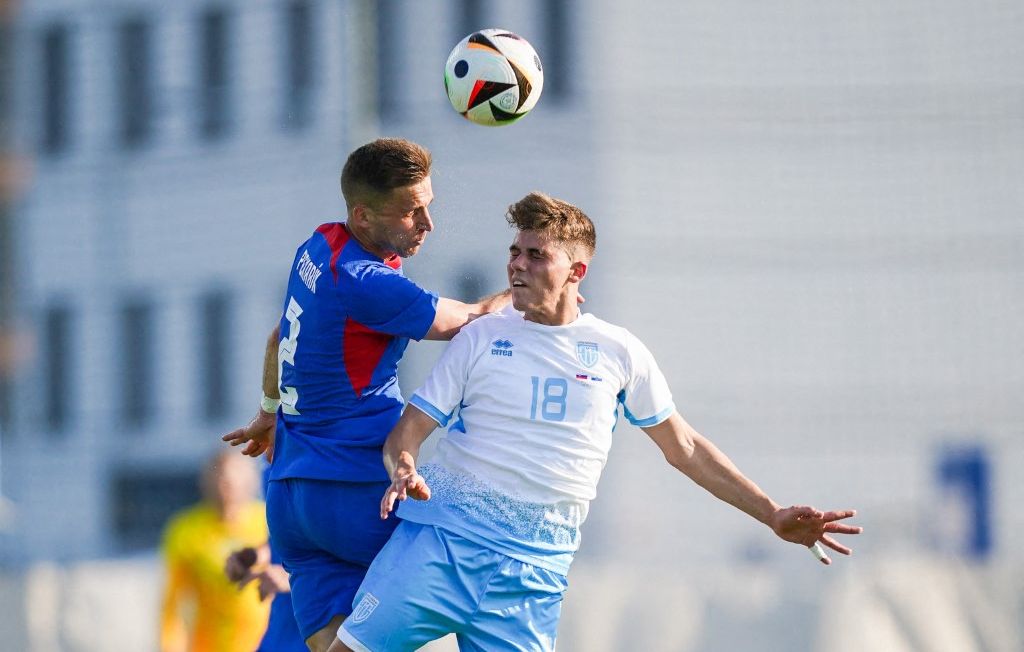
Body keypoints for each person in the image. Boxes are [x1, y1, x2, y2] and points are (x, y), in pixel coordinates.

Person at [332, 192, 863, 652]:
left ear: (576, 272)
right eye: (514, 252)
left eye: (536, 255)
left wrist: (770, 513)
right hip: (441, 548)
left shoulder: (618, 352)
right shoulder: (480, 338)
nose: (516, 265)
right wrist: (403, 466)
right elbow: (410, 431)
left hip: (532, 578)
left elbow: (686, 449)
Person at [222, 138, 511, 652]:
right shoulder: (365, 281)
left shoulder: (317, 247)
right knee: (489, 572)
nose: (426, 223)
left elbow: (278, 339)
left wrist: (269, 410)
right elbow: (471, 321)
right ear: (364, 214)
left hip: (290, 498)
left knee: (343, 645)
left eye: (428, 205)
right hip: (356, 489)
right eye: (409, 211)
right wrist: (529, 285)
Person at [160, 451, 269, 652]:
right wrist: (170, 645)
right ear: (206, 482)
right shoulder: (186, 530)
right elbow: (173, 602)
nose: (226, 486)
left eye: (233, 479)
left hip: (269, 642)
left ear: (249, 480)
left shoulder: (268, 521)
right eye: (220, 478)